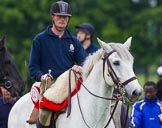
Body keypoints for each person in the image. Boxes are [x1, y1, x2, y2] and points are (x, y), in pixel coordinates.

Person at [28, 1, 87, 128]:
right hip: (49, 84)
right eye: (59, 16)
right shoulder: (39, 40)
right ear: (52, 17)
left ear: (68, 19)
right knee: (44, 114)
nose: (62, 19)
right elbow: (33, 67)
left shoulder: (74, 41)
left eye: (65, 17)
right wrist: (42, 76)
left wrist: (80, 67)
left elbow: (84, 61)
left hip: (70, 83)